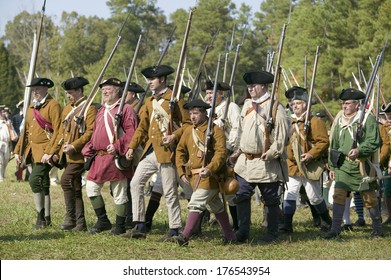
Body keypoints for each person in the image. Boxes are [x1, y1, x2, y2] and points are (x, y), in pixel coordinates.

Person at [123, 65, 191, 240]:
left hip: (167, 151)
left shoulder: (175, 99)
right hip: (151, 151)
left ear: (162, 80)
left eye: (152, 79)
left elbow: (187, 124)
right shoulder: (150, 102)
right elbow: (142, 127)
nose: (149, 83)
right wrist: (131, 146)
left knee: (169, 191)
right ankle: (139, 225)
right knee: (135, 183)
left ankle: (174, 229)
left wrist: (174, 136)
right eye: (149, 80)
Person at [228, 70, 289, 243]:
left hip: (265, 163)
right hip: (245, 162)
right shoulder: (247, 105)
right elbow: (241, 131)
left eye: (253, 86)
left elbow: (281, 137)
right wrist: (236, 152)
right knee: (241, 195)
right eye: (249, 86)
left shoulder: (276, 108)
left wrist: (271, 153)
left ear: (263, 86)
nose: (250, 89)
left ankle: (272, 233)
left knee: (270, 199)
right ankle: (243, 231)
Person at [172, 99, 236, 246]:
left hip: (211, 177)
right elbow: (180, 150)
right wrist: (181, 171)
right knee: (217, 207)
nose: (192, 116)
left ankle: (185, 236)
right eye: (190, 113)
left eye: (195, 113)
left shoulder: (215, 130)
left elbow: (221, 153)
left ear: (204, 113)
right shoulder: (189, 130)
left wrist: (210, 168)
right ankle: (230, 236)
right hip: (195, 177)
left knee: (195, 204)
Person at [81, 77, 137, 235]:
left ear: (118, 90)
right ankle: (103, 220)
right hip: (99, 157)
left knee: (119, 193)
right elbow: (96, 133)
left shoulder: (125, 109)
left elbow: (132, 133)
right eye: (103, 89)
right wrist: (88, 149)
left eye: (109, 88)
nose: (105, 91)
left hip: (115, 157)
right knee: (91, 188)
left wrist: (118, 145)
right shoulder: (101, 110)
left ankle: (119, 226)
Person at [325, 88, 383, 239]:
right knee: (338, 195)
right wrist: (332, 166)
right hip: (343, 165)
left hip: (361, 166)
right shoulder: (339, 120)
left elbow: (374, 141)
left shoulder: (366, 119)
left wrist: (359, 150)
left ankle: (377, 228)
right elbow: (334, 144)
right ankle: (335, 229)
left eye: (347, 103)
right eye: (343, 103)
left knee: (369, 197)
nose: (344, 106)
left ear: (357, 104)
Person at [279, 86, 331, 234]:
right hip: (292, 166)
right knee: (289, 194)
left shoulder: (314, 121)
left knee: (314, 197)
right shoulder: (289, 122)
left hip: (309, 165)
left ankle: (327, 221)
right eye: (293, 103)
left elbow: (323, 142)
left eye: (298, 103)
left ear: (306, 104)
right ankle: (287, 225)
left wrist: (311, 154)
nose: (295, 106)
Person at [14, 77, 62, 229]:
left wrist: (50, 151)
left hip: (46, 152)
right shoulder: (30, 107)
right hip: (32, 151)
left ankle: (40, 218)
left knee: (34, 179)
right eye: (33, 89)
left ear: (46, 89)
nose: (35, 91)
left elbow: (58, 131)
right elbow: (25, 132)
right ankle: (47, 218)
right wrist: (17, 151)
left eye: (38, 89)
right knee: (44, 183)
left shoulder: (53, 105)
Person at [49, 77, 97, 231]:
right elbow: (61, 133)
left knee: (65, 180)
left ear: (79, 91)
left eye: (70, 92)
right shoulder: (67, 108)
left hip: (80, 155)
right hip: (67, 155)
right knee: (75, 186)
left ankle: (70, 217)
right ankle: (80, 223)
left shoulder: (89, 108)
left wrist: (74, 146)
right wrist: (55, 151)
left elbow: (90, 132)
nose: (68, 95)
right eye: (67, 93)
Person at [203, 80, 242, 230]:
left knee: (230, 190)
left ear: (220, 94)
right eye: (207, 93)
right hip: (211, 155)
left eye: (211, 93)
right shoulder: (206, 110)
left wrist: (229, 150)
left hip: (227, 153)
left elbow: (237, 130)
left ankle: (237, 225)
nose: (208, 96)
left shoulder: (231, 107)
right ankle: (220, 223)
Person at [121, 81, 145, 229]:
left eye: (126, 93)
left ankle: (132, 219)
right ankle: (128, 217)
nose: (123, 96)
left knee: (132, 184)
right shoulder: (125, 108)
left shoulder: (140, 108)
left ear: (133, 94)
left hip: (138, 148)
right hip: (126, 147)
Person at [379, 102, 391, 224]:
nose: (389, 118)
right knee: (387, 191)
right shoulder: (384, 128)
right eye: (387, 115)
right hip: (387, 165)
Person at [0, 108, 13, 182]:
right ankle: (0, 177)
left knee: (6, 160)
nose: (2, 114)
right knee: (0, 160)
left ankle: (2, 174)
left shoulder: (7, 122)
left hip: (7, 143)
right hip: (0, 142)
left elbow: (12, 132)